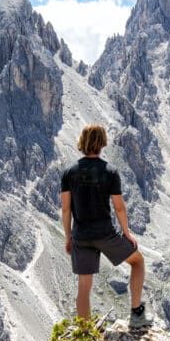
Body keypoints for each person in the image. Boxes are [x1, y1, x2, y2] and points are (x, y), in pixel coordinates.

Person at [60, 125, 150, 328]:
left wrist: (68, 238)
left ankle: (84, 335)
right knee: (138, 261)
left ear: (82, 143)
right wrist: (126, 233)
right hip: (105, 234)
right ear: (102, 143)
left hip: (81, 235)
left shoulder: (69, 173)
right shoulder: (110, 171)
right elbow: (119, 207)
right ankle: (136, 314)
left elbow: (66, 209)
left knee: (84, 286)